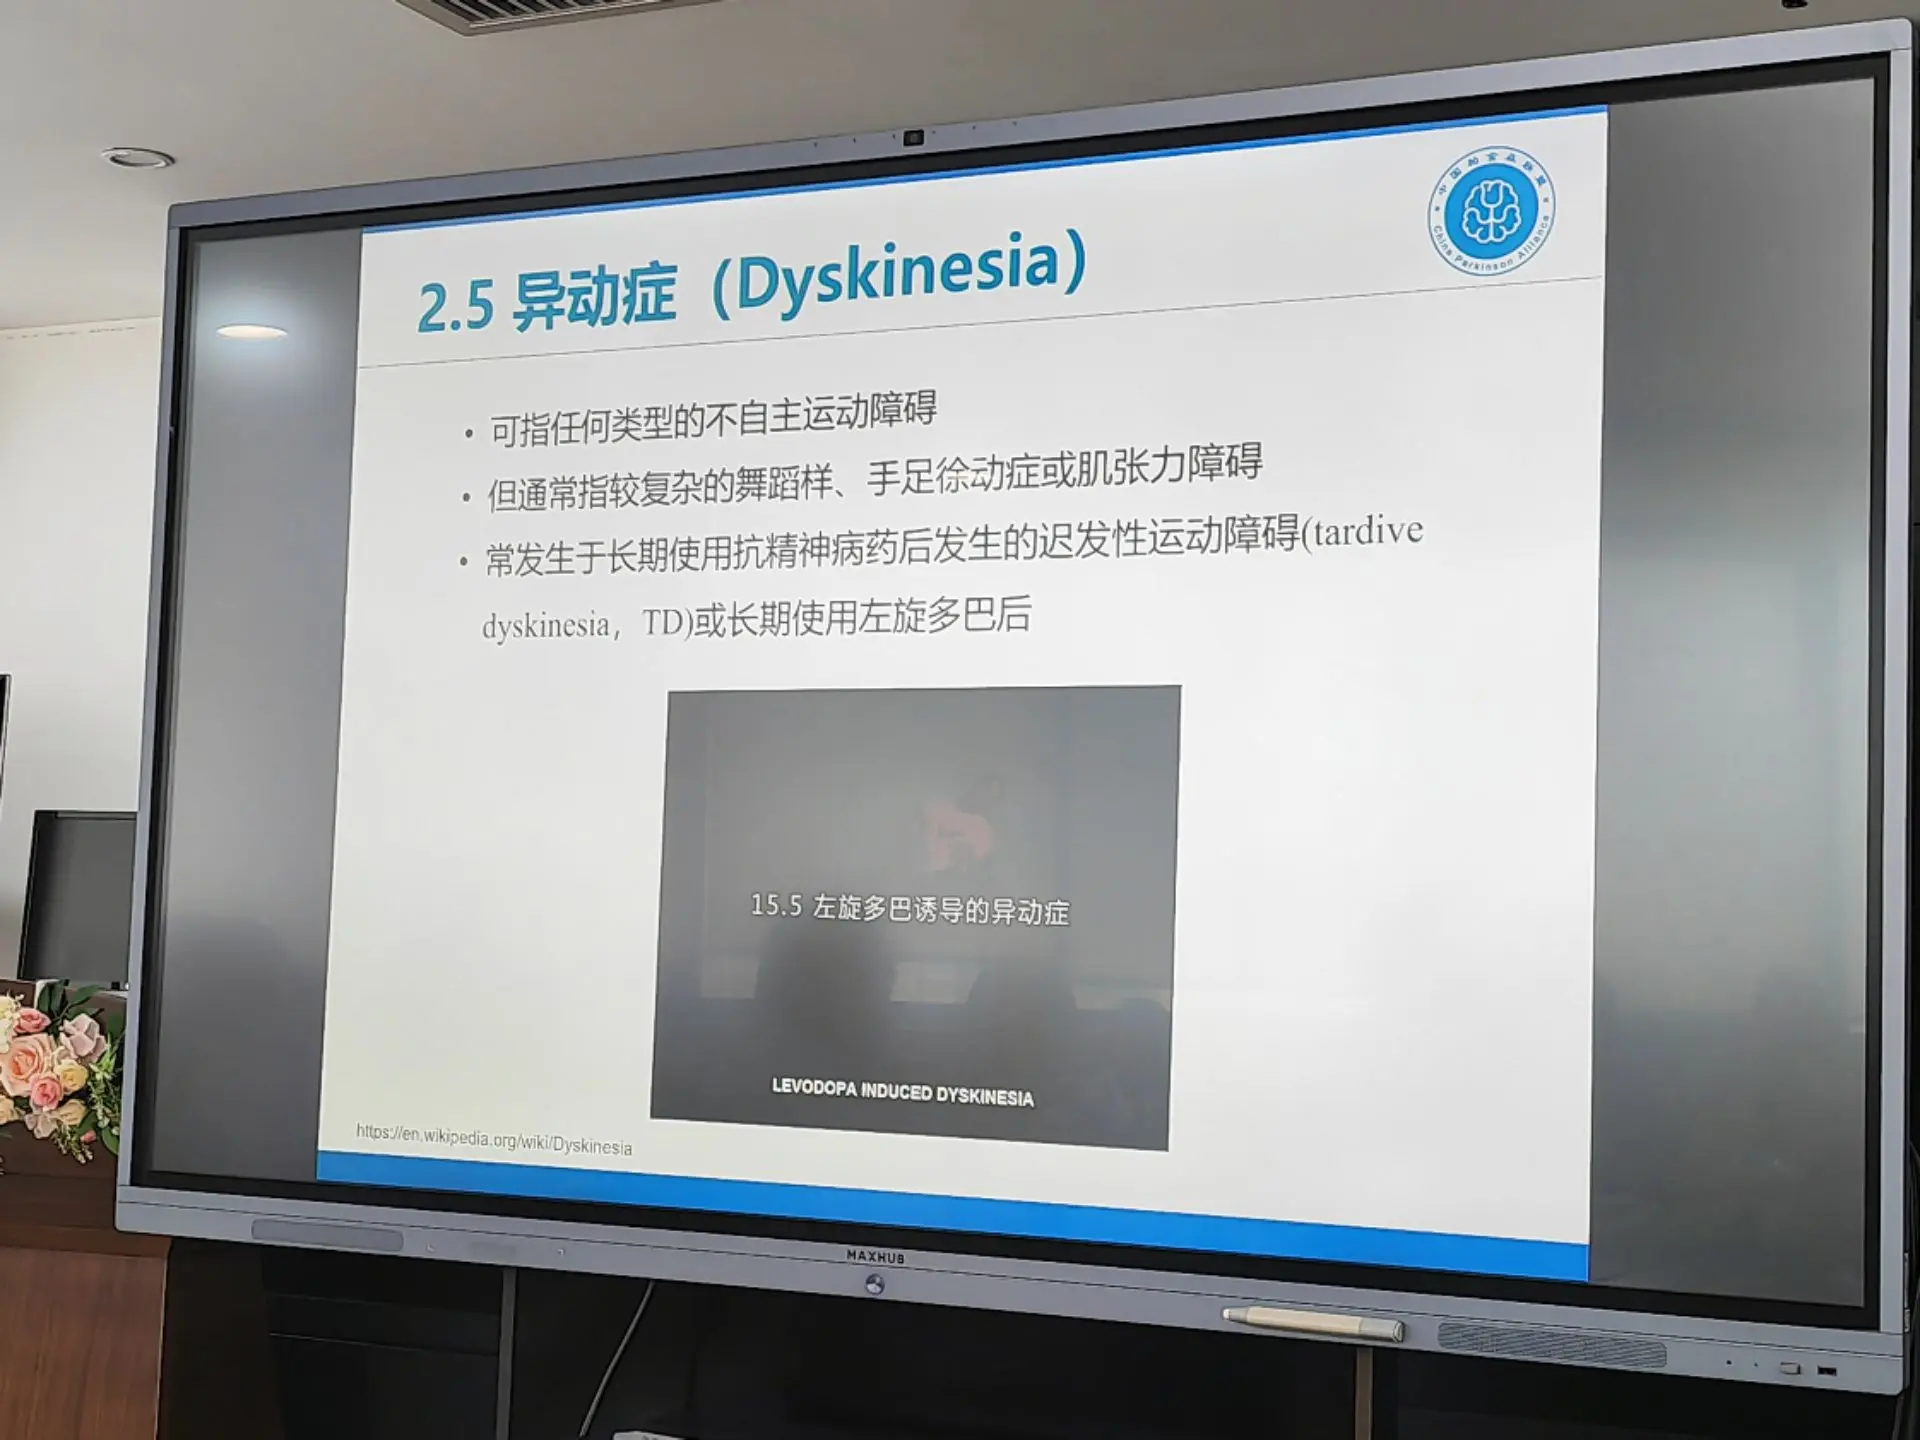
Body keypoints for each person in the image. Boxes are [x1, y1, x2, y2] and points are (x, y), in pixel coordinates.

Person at [921, 773, 1004, 873]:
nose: (985, 797)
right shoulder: (934, 805)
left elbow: (974, 867)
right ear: (976, 785)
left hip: (951, 878)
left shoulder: (985, 833)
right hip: (920, 873)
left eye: (991, 796)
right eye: (985, 789)